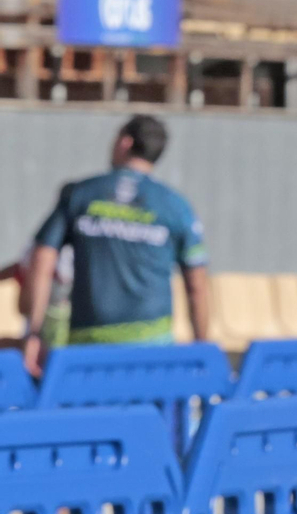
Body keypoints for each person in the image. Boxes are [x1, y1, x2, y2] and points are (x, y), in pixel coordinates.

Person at [22, 115, 211, 375]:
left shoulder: (80, 193)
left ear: (125, 142)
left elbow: (42, 258)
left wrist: (35, 332)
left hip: (88, 346)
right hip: (152, 347)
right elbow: (197, 285)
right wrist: (202, 348)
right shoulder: (175, 205)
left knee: (90, 415)